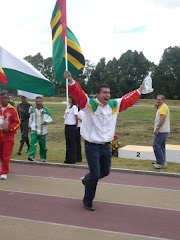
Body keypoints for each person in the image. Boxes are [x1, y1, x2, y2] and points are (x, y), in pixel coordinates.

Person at [64, 70, 144, 211]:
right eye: (104, 92)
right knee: (95, 174)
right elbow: (79, 95)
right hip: (92, 146)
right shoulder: (89, 105)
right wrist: (71, 81)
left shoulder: (114, 105)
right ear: (98, 94)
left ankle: (86, 179)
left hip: (106, 147)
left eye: (109, 92)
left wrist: (139, 90)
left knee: (105, 172)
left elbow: (128, 100)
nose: (108, 95)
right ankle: (87, 201)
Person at [0, 90, 20, 180]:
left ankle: (4, 172)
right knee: (1, 154)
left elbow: (17, 123)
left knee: (6, 154)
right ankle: (4, 167)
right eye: (1, 98)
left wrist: (10, 128)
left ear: (8, 99)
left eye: (5, 98)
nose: (3, 100)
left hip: (8, 136)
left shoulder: (12, 110)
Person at [28, 96, 52, 162]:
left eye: (39, 101)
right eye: (37, 101)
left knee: (43, 146)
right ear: (35, 102)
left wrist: (46, 122)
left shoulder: (46, 110)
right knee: (33, 143)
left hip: (43, 131)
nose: (38, 103)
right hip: (34, 129)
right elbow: (30, 119)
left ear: (42, 102)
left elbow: (50, 119)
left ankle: (43, 158)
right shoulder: (33, 110)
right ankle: (31, 156)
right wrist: (29, 126)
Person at [153, 95, 170, 169]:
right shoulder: (161, 107)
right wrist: (156, 112)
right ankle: (163, 161)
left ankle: (161, 162)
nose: (158, 101)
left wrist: (157, 128)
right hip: (164, 130)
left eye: (159, 99)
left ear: (163, 100)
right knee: (161, 146)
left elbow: (163, 119)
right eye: (157, 99)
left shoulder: (163, 107)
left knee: (156, 145)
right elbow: (160, 117)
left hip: (161, 130)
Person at [64, 96, 78, 164]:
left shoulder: (74, 107)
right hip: (67, 125)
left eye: (69, 98)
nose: (68, 100)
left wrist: (76, 125)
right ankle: (67, 158)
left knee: (72, 143)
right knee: (68, 142)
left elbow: (76, 116)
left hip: (72, 126)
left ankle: (73, 159)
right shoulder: (68, 107)